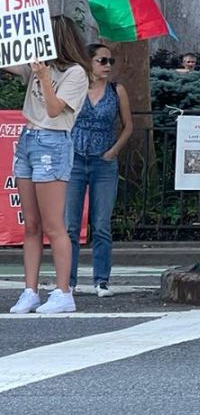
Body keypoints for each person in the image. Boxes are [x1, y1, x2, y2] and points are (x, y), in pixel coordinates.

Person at [6, 16, 91, 314]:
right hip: (29, 137)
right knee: (30, 224)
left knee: (54, 225)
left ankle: (63, 291)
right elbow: (7, 62)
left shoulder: (76, 73)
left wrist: (42, 76)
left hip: (53, 142)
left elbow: (55, 111)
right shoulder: (39, 65)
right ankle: (30, 290)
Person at [65, 43, 134, 297]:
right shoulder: (76, 87)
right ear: (88, 62)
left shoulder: (117, 91)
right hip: (74, 160)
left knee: (102, 223)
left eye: (110, 61)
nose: (107, 66)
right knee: (70, 225)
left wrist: (114, 151)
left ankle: (101, 280)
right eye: (102, 61)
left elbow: (128, 126)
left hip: (103, 162)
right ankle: (67, 281)